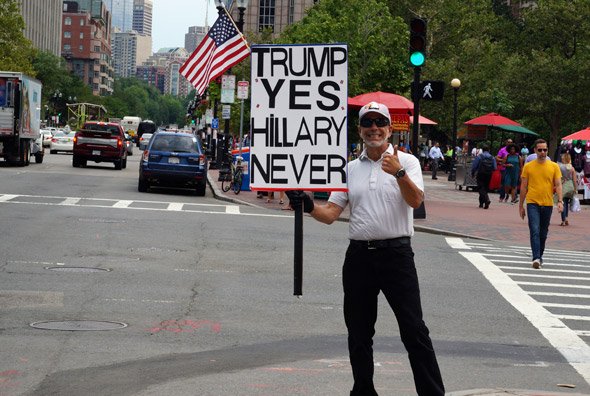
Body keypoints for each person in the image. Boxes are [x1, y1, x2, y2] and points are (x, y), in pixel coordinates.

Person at [286, 101, 445, 396]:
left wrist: (398, 173)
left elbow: (416, 202)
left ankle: (432, 393)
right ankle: (363, 391)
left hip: (397, 255)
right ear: (360, 130)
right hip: (359, 256)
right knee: (359, 333)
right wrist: (307, 205)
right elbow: (331, 214)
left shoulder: (407, 162)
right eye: (368, 123)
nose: (374, 128)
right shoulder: (349, 169)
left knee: (414, 330)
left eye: (379, 122)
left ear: (389, 128)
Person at [519, 139, 563, 269]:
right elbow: (523, 187)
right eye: (540, 150)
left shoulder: (554, 166)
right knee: (535, 230)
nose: (543, 152)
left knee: (543, 233)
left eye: (545, 150)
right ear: (535, 151)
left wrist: (560, 201)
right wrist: (521, 205)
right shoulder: (528, 166)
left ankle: (540, 255)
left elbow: (559, 184)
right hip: (532, 202)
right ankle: (536, 257)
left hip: (548, 203)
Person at [471, 143, 497, 209]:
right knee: (485, 188)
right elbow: (495, 168)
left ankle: (486, 200)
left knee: (480, 188)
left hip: (481, 173)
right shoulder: (492, 157)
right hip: (489, 174)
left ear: (482, 150)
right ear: (489, 150)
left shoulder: (480, 156)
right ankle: (481, 204)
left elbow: (474, 166)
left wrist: (473, 173)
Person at [559, 152, 577, 226]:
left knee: (563, 203)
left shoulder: (560, 167)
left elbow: (558, 178)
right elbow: (574, 180)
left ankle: (563, 220)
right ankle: (566, 218)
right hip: (570, 186)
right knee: (566, 203)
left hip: (563, 186)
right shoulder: (572, 168)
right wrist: (575, 188)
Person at [496, 138, 512, 202]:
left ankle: (507, 195)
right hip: (504, 168)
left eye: (511, 142)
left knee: (509, 183)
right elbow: (497, 158)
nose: (509, 143)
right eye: (508, 142)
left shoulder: (514, 150)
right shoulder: (502, 150)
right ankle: (501, 196)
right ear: (506, 142)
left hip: (511, 169)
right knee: (503, 183)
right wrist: (503, 160)